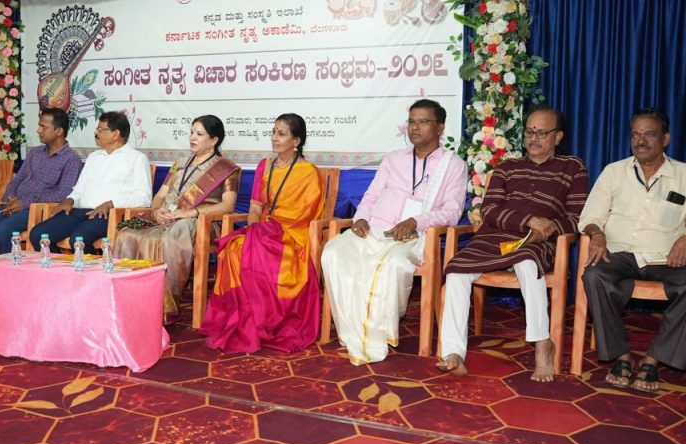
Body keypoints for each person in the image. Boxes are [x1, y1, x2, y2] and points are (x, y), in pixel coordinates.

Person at [438, 106, 589, 382]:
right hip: (493, 238)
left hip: (537, 242)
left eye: (542, 133)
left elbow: (577, 217)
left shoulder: (572, 168)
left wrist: (549, 228)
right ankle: (454, 352)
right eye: (529, 132)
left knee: (527, 261)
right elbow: (489, 211)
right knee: (457, 269)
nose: (534, 138)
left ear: (558, 137)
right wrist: (528, 220)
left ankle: (542, 343)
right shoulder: (507, 167)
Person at [579, 108, 686, 393]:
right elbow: (589, 217)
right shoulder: (614, 172)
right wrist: (597, 233)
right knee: (594, 275)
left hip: (665, 258)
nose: (640, 141)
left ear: (665, 139)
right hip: (619, 253)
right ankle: (621, 355)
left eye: (649, 134)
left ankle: (654, 358)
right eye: (635, 135)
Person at [320, 99, 468, 364]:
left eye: (423, 122)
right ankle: (353, 330)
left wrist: (415, 221)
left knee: (392, 264)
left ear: (440, 127)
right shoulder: (393, 159)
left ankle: (374, 336)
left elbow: (452, 212)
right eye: (411, 121)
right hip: (374, 230)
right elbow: (371, 195)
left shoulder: (453, 165)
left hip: (413, 237)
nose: (415, 127)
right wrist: (360, 218)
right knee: (333, 252)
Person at [200, 113, 323, 353]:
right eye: (273, 132)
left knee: (257, 253)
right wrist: (255, 229)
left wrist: (270, 231)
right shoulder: (264, 166)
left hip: (290, 235)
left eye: (281, 134)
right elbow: (255, 207)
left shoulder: (308, 172)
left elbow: (305, 215)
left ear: (296, 141)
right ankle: (242, 320)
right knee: (235, 248)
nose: (274, 138)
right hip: (263, 229)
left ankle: (265, 322)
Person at [113, 115, 240, 319]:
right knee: (126, 234)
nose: (192, 137)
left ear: (214, 140)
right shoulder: (180, 163)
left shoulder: (226, 169)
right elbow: (160, 196)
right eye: (191, 132)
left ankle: (163, 305)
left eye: (199, 134)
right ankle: (127, 298)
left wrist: (188, 213)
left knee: (176, 232)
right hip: (166, 217)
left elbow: (228, 206)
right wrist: (156, 211)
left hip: (201, 221)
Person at [0, 108, 82, 258]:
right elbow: (18, 179)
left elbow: (63, 194)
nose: (38, 130)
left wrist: (24, 204)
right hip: (13, 206)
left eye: (43, 127)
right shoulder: (35, 153)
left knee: (3, 229)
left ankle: (7, 268)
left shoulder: (71, 159)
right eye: (39, 126)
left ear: (59, 131)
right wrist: (9, 198)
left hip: (37, 211)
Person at [28, 111, 152, 252]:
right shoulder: (94, 157)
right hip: (80, 212)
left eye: (101, 129)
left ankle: (91, 266)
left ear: (115, 134)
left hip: (110, 215)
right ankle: (61, 266)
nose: (96, 133)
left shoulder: (137, 158)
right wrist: (70, 199)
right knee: (39, 235)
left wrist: (112, 203)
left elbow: (144, 198)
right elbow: (79, 189)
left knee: (78, 239)